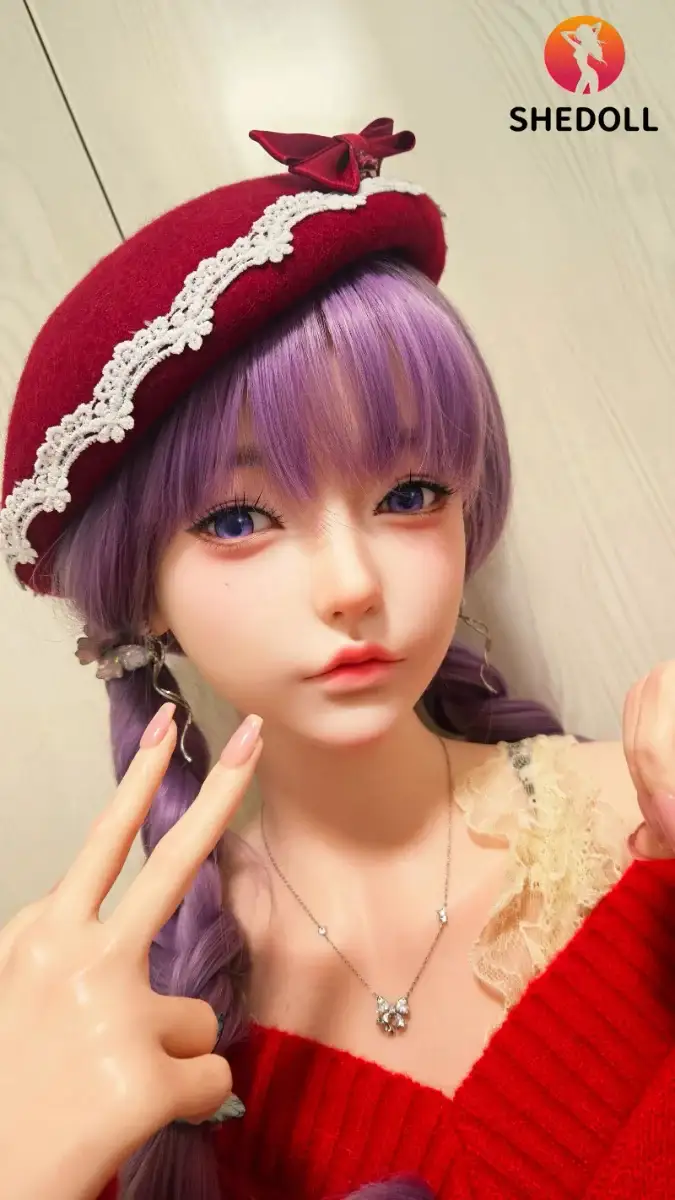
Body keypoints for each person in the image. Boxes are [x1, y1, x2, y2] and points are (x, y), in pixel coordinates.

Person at [1, 117, 674, 1200]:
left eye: (410, 494)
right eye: (236, 519)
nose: (353, 584)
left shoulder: (646, 824)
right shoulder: (128, 1029)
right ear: (143, 592)